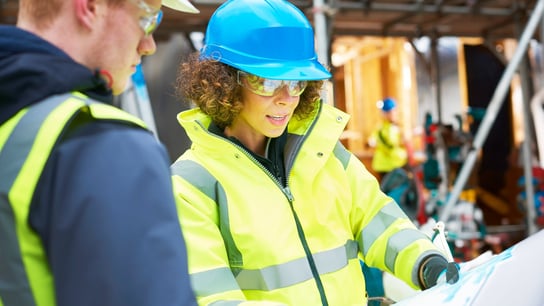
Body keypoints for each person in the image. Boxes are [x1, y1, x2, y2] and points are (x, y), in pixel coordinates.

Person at [171, 0, 458, 305]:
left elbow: (378, 220)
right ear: (224, 83)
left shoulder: (324, 153)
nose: (286, 99)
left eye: (296, 82)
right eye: (267, 81)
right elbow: (216, 300)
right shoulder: (192, 186)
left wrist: (427, 263)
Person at [0, 0, 199, 305]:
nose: (149, 46)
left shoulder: (13, 117)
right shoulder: (105, 143)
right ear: (90, 7)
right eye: (147, 18)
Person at [368, 97, 409, 181]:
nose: (393, 114)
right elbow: (372, 140)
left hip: (399, 164)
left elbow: (404, 142)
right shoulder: (380, 128)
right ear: (384, 114)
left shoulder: (399, 127)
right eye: (389, 112)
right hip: (384, 166)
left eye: (394, 111)